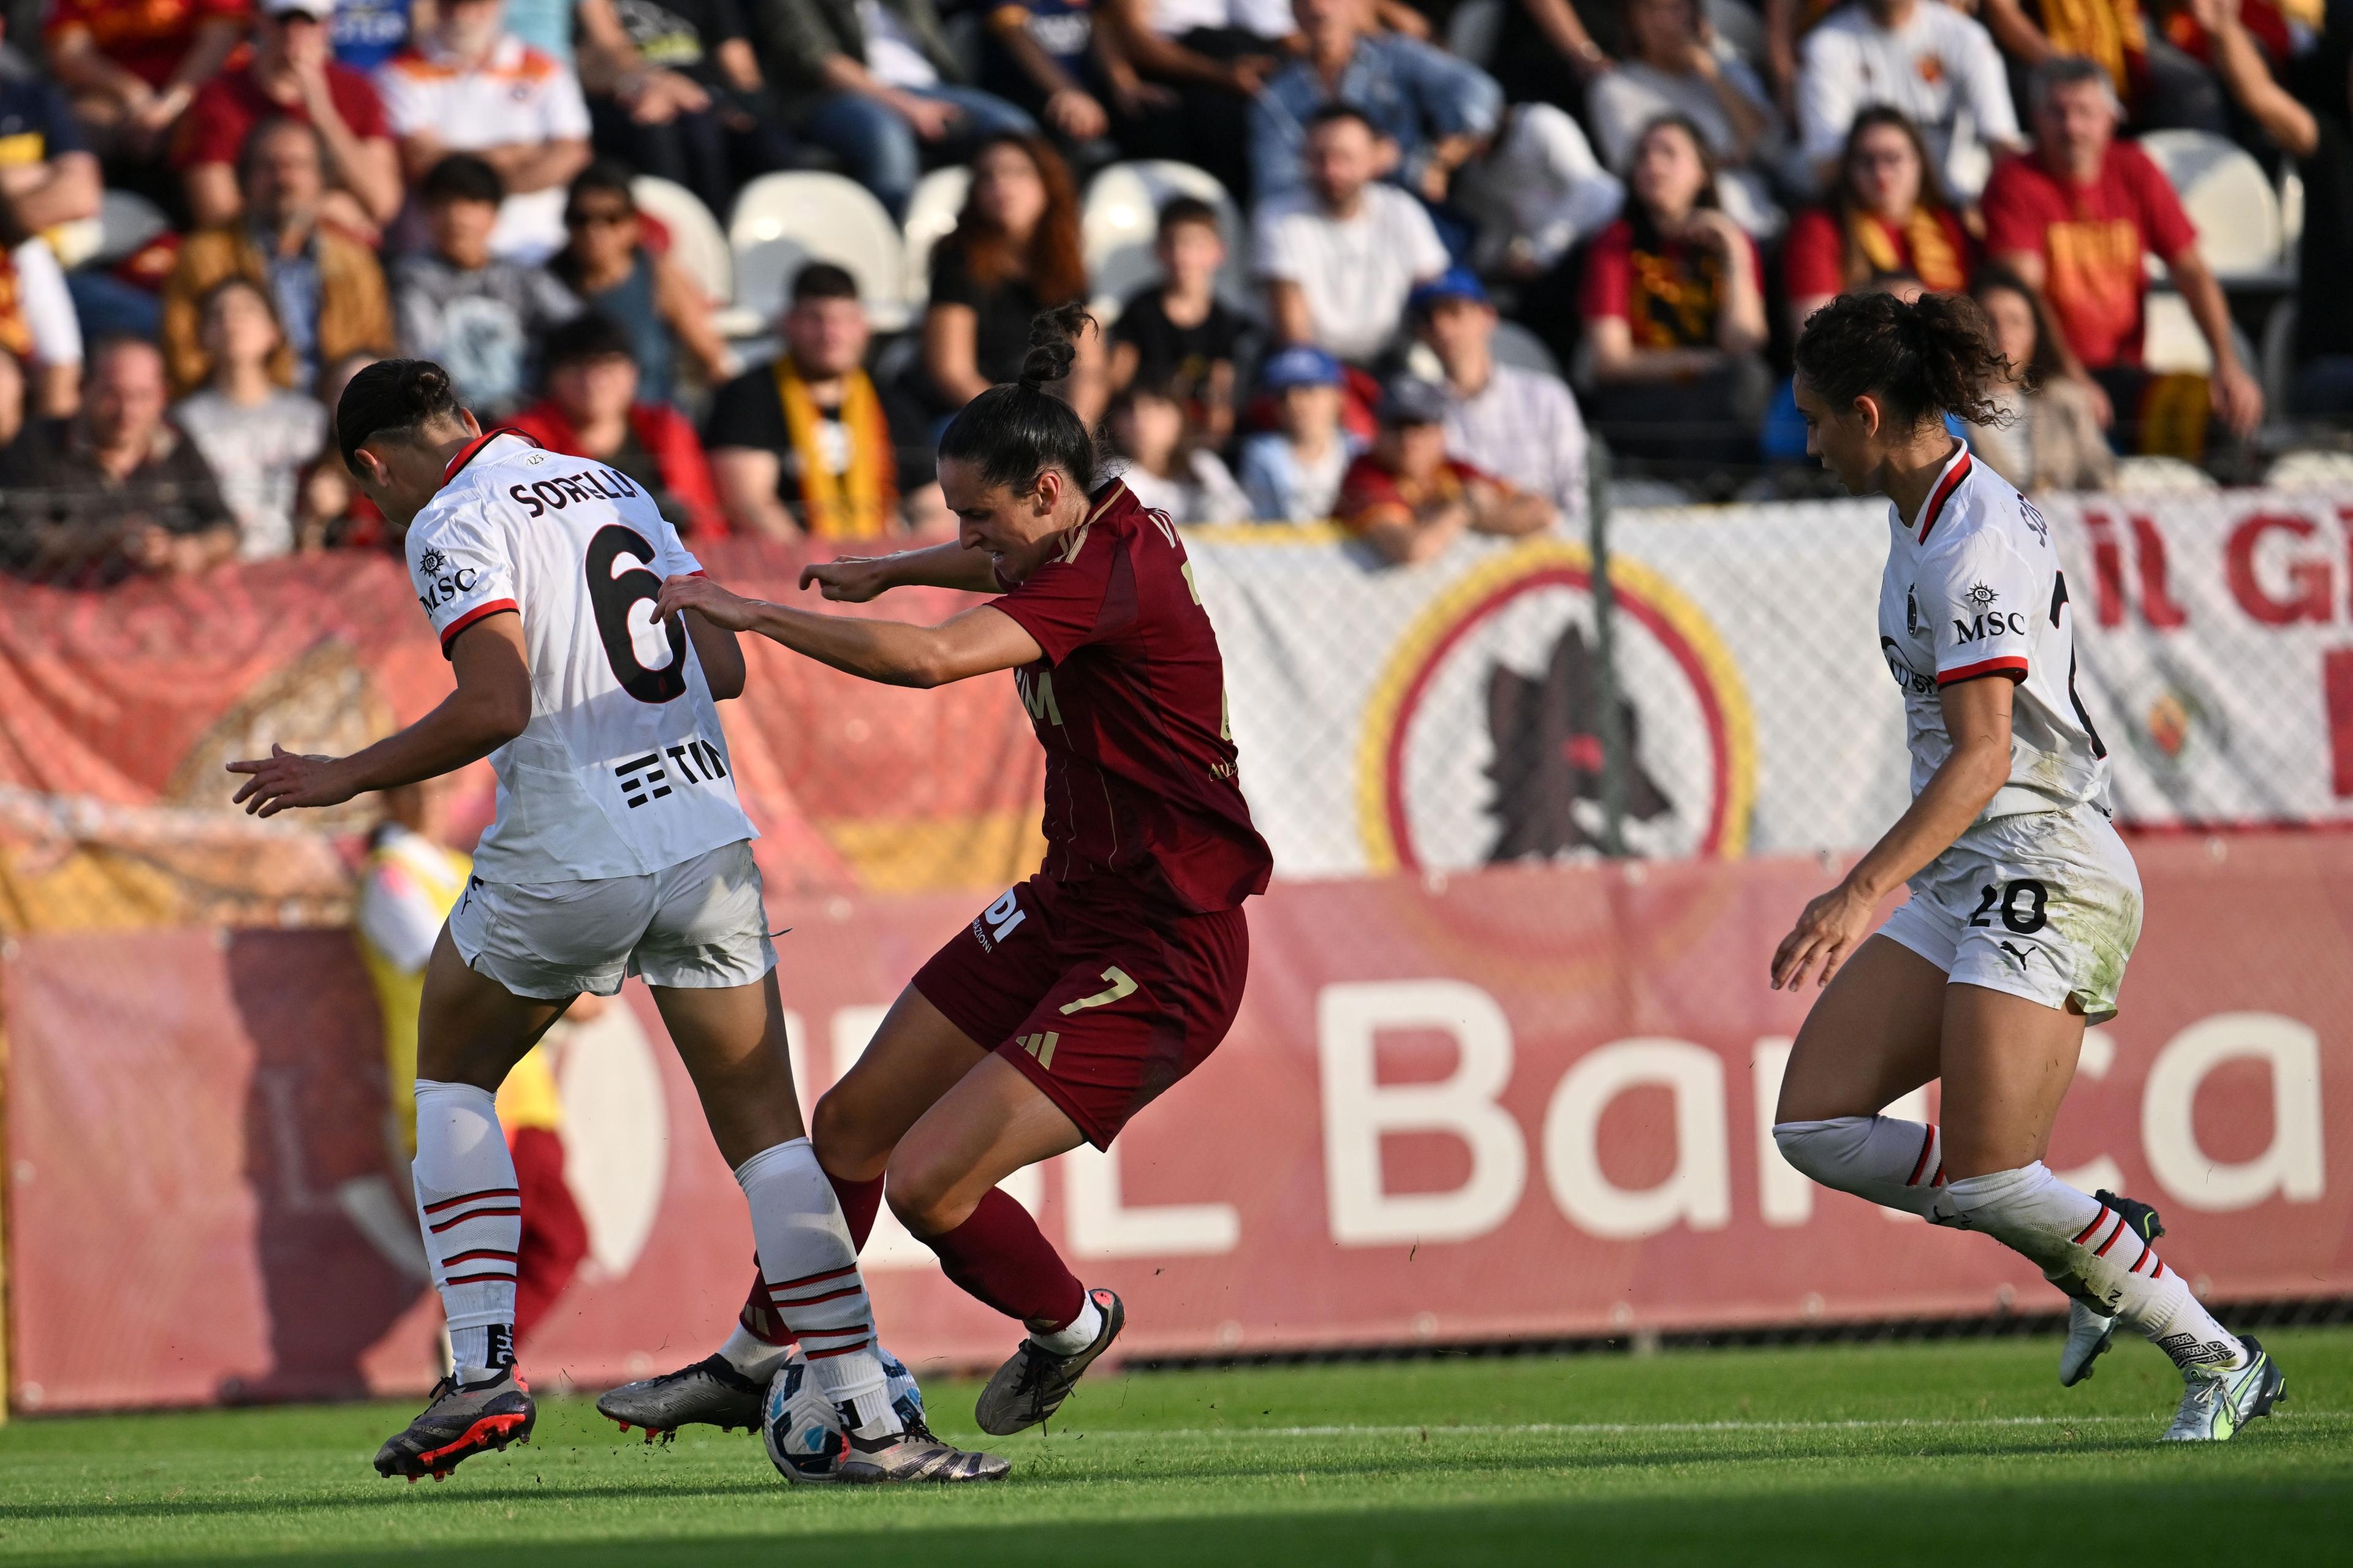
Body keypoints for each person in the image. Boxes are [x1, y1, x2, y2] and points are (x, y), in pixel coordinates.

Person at [225, 358, 1006, 1485]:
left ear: (371, 463)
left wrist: (344, 772)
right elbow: (724, 663)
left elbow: (496, 702)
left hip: (572, 845)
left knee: (450, 1071)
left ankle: (483, 1364)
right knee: (772, 1139)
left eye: (372, 490)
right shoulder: (610, 485)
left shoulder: (450, 516)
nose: (381, 507)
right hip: (702, 836)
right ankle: (868, 1413)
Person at [601, 305, 1273, 1444]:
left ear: (1050, 494)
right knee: (852, 1120)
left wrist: (758, 612)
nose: (971, 538)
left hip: (1169, 940)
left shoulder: (1113, 572)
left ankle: (1069, 1324)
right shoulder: (1076, 528)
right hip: (1071, 898)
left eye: (981, 516)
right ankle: (755, 1356)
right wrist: (892, 568)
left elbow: (931, 660)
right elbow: (987, 563)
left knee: (927, 1183)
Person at [1775, 287, 2283, 1444]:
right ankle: (2089, 1225)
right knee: (1816, 1124)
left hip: (2044, 859)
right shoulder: (1923, 509)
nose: (1806, 444)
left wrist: (1858, 892)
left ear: (1866, 412)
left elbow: (1986, 753)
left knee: (1993, 1177)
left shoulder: (1969, 543)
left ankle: (2222, 1354)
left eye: (1815, 421)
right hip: (1973, 866)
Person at [356, 775, 591, 1354]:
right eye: (420, 788)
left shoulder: (461, 870)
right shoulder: (391, 878)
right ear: (392, 797)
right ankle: (475, 1358)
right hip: (461, 1088)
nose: (434, 801)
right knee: (492, 1243)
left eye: (442, 788)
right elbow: (455, 965)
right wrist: (560, 986)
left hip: (521, 1088)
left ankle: (479, 1353)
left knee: (559, 1240)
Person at [1982, 55, 2263, 444]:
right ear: (2035, 118)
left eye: (2085, 112)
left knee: (2217, 419)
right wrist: (2073, 378)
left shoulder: (2135, 170)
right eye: (2058, 113)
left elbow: (2193, 272)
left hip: (2127, 373)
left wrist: (2227, 364)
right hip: (2046, 380)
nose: (2072, 127)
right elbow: (2023, 294)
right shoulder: (2016, 182)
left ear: (2112, 117)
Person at [1578, 114, 1770, 465]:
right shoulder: (1614, 244)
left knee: (1751, 380)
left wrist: (1735, 256)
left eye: (1669, 153)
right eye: (1643, 155)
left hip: (1718, 390)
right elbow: (1610, 360)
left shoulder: (1733, 243)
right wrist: (1701, 363)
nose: (1653, 163)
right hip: (1641, 394)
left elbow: (1743, 344)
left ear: (1702, 173)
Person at [163, 117, 398, 398]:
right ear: (245, 179)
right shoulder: (204, 255)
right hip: (242, 413)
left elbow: (377, 352)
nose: (283, 179)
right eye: (267, 167)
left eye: (298, 165)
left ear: (322, 180)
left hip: (338, 418)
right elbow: (183, 356)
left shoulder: (356, 262)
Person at [749, 0, 1037, 221]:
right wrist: (906, 105)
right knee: (887, 138)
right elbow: (815, 57)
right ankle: (895, 253)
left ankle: (1029, 245)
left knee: (1014, 130)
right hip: (832, 95)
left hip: (930, 85)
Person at [0, 337, 237, 584]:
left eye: (142, 396)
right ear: (83, 389)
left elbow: (225, 526)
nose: (127, 412)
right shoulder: (37, 445)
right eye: (113, 395)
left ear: (163, 395)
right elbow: (19, 538)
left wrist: (196, 549)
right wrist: (104, 540)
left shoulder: (176, 442)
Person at [377, 0, 594, 263]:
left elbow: (572, 155)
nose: (462, 15)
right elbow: (420, 161)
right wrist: (516, 154)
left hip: (538, 251)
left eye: (477, 4)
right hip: (436, 257)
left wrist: (465, 172)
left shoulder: (546, 68)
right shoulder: (399, 73)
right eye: (451, 5)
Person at [704, 262, 904, 539]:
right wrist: (822, 569)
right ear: (789, 323)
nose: (830, 335)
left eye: (844, 320)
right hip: (789, 571)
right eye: (816, 319)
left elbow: (934, 503)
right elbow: (750, 507)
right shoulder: (748, 397)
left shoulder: (889, 399)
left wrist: (902, 566)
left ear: (863, 326)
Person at [175, 0, 404, 238]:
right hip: (251, 257)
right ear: (259, 20)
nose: (294, 33)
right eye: (283, 21)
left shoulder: (358, 91)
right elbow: (216, 212)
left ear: (328, 25)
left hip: (344, 260)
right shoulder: (218, 98)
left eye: (309, 22)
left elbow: (383, 203)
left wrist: (324, 114)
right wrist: (321, 209)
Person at [1247, 0, 1502, 205]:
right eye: (1305, 2)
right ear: (1293, 11)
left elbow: (1477, 91)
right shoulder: (1277, 95)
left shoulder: (1396, 56)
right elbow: (1275, 183)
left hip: (1411, 207)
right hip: (1324, 224)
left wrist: (1441, 156)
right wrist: (1362, 164)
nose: (1320, 8)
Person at [1254, 103, 1451, 365]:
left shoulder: (1402, 211)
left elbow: (1435, 297)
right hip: (1313, 367)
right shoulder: (1277, 216)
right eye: (1319, 157)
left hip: (1394, 359)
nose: (1331, 171)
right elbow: (1294, 333)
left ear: (1374, 159)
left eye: (1345, 158)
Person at [393, 154, 582, 417]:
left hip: (529, 421)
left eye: (471, 201)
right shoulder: (410, 278)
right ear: (427, 215)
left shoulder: (523, 276)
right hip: (441, 420)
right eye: (443, 203)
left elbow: (581, 329)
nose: (457, 215)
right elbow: (416, 354)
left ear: (495, 214)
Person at [510, 311, 726, 537]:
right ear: (551, 377)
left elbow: (706, 522)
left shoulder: (668, 428)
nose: (593, 380)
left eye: (608, 363)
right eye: (576, 365)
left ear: (634, 371)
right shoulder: (521, 440)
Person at [920, 134, 1093, 414]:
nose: (1000, 184)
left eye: (1017, 172)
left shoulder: (1066, 260)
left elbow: (1091, 369)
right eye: (987, 176)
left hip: (1051, 419)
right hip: (977, 416)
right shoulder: (957, 257)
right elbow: (952, 370)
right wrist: (1018, 427)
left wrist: (1076, 430)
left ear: (1048, 183)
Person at [574, 0, 792, 218]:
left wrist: (742, 105)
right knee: (659, 129)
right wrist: (659, 83)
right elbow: (607, 49)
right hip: (639, 94)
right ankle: (680, 230)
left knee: (755, 138)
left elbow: (741, 67)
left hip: (705, 97)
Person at [1795, 0, 2022, 202]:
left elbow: (2002, 143)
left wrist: (1997, 208)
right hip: (1873, 208)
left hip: (1957, 203)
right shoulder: (1826, 47)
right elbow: (1827, 164)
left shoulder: (1966, 38)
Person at [549, 161, 733, 410]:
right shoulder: (544, 282)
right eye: (582, 219)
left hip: (650, 434)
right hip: (562, 441)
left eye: (611, 218)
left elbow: (710, 356)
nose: (595, 230)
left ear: (633, 225)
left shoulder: (658, 273)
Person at [172, 276, 332, 559]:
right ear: (202, 335)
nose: (232, 321)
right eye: (218, 314)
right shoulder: (182, 423)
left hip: (299, 568)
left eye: (247, 310)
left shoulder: (310, 418)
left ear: (275, 331)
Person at [1410, 268, 1586, 523]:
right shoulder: (1413, 413)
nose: (1441, 326)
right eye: (1427, 318)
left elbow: (1577, 487)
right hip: (1458, 550)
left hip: (1548, 545)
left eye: (1454, 311)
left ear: (1488, 317)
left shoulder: (1546, 396)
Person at [1587, 0, 1783, 226]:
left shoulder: (1724, 65)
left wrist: (1712, 76)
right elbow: (1637, 174)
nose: (1665, 21)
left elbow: (1773, 146)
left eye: (1676, 7)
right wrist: (1723, 159)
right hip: (1679, 226)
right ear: (1632, 20)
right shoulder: (1615, 88)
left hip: (1760, 213)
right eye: (1652, 10)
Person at [1786, 106, 1975, 338]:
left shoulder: (1948, 224)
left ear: (1919, 163)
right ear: (1849, 167)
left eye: (1892, 159)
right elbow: (1811, 332)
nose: (1881, 174)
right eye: (1867, 161)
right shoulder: (1820, 227)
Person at [1334, 374, 1553, 566]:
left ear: (1441, 432)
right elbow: (1413, 550)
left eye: (1420, 426)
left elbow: (1542, 513)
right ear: (1377, 432)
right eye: (1397, 427)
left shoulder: (1451, 468)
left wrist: (1444, 514)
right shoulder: (1364, 475)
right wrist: (1463, 509)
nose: (1409, 440)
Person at [1107, 196, 1248, 452]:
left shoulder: (1223, 320)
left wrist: (1217, 420)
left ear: (1218, 252)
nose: (1182, 255)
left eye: (1195, 245)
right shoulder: (1140, 310)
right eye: (1173, 244)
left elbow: (1221, 391)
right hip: (1145, 424)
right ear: (1158, 250)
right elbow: (1119, 380)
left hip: (1196, 431)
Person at [1963, 263, 2113, 491]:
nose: (2003, 333)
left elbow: (2103, 480)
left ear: (2035, 333)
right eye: (1988, 321)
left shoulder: (2067, 402)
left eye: (2016, 321)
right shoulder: (1949, 410)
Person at [1979, 0, 2229, 135]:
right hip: (2043, 43)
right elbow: (2001, 11)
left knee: (2194, 91)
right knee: (2061, 100)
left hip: (2126, 33)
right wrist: (2058, 64)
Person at [44, 0, 247, 165]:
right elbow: (69, 53)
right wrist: (134, 94)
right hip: (111, 94)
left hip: (199, 91)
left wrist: (169, 106)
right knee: (74, 133)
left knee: (208, 134)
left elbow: (219, 41)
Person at [1237, 343, 1359, 522]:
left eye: (1308, 390)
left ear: (1338, 396)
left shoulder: (1359, 451)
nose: (1294, 403)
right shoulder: (1262, 454)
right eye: (1283, 396)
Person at [1106, 373, 1248, 521]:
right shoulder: (1114, 476)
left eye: (1156, 405)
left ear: (1179, 415)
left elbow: (1242, 519)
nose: (1140, 417)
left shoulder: (1204, 465)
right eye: (1130, 409)